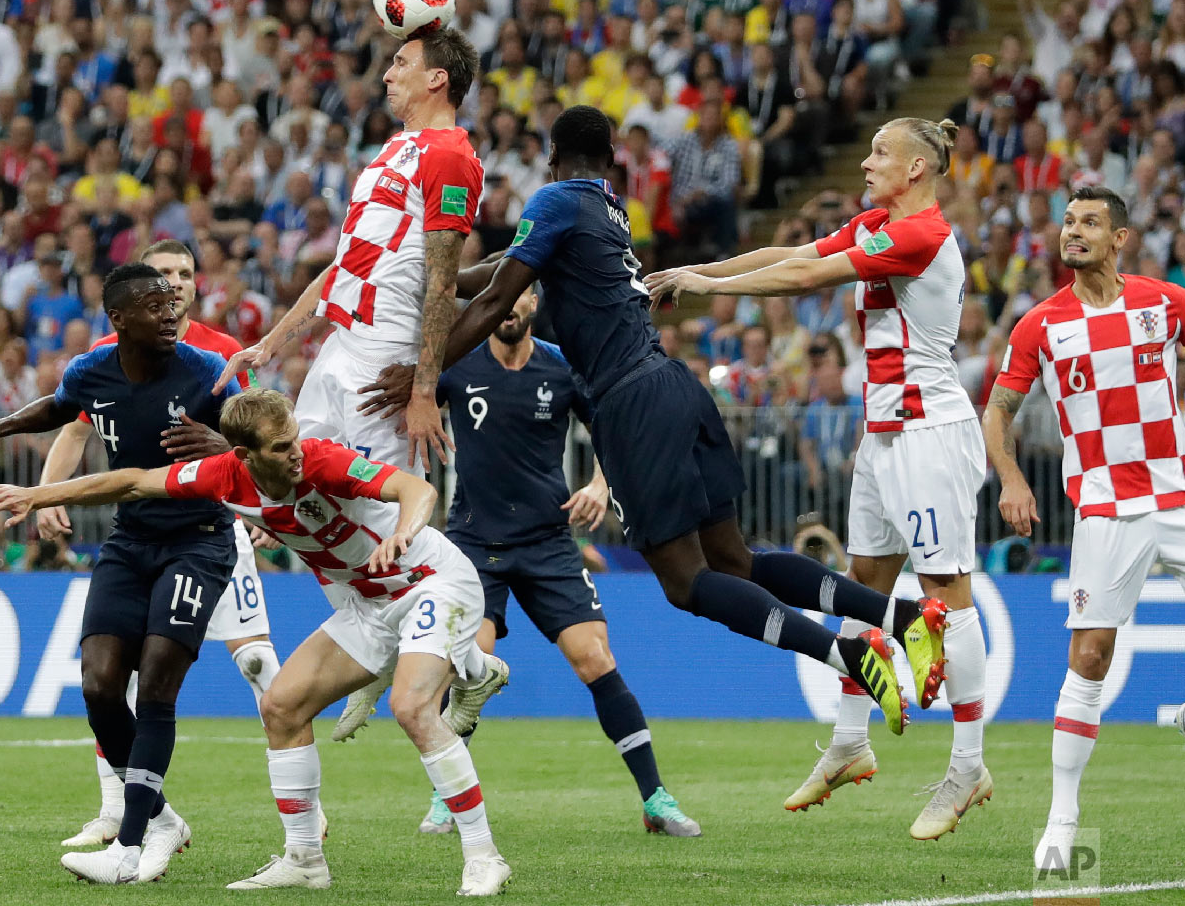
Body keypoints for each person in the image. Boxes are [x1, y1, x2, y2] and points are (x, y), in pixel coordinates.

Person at [360, 105, 947, 762]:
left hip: (632, 405)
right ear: (610, 159)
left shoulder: (555, 200)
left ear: (553, 157)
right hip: (676, 386)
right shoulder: (605, 208)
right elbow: (498, 273)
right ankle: (902, 617)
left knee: (687, 583)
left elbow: (498, 298)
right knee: (737, 561)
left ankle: (846, 652)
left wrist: (422, 372)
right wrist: (427, 276)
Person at [0, 389, 513, 897]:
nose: (296, 454)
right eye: (282, 448)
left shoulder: (323, 460)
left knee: (412, 706)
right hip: (366, 606)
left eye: (296, 439)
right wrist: (37, 494)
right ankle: (304, 862)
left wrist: (405, 530)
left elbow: (415, 489)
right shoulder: (223, 478)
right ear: (244, 456)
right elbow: (133, 481)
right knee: (280, 707)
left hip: (431, 582)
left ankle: (483, 855)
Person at [647, 116, 991, 840]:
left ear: (919, 170)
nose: (865, 163)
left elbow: (805, 277)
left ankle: (968, 767)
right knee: (865, 589)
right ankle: (849, 741)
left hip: (931, 436)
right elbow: (795, 249)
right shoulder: (877, 223)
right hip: (885, 435)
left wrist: (701, 282)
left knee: (945, 598)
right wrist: (706, 272)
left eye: (879, 154)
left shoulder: (921, 235)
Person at [0, 263, 241, 884]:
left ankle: (131, 847)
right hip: (130, 541)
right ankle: (161, 817)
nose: (170, 313)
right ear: (118, 320)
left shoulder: (202, 372)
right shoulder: (92, 372)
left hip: (197, 542)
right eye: (154, 305)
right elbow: (59, 408)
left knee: (160, 684)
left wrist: (225, 448)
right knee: (99, 686)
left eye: (173, 303)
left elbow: (267, 439)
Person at [415, 286, 701, 839]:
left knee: (595, 659)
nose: (509, 309)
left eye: (520, 298)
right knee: (470, 663)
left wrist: (599, 482)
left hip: (549, 542)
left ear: (534, 304)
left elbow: (615, 434)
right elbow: (412, 399)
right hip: (477, 547)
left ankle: (655, 798)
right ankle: (446, 796)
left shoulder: (562, 368)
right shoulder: (456, 364)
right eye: (501, 300)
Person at [35, 238, 285, 849]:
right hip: (141, 533)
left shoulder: (224, 354)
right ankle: (117, 806)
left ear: (197, 283)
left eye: (183, 274)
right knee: (110, 678)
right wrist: (50, 491)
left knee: (257, 663)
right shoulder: (105, 357)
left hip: (216, 528)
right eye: (162, 275)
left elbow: (264, 442)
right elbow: (74, 429)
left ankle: (301, 815)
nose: (173, 285)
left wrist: (257, 505)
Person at [983, 187, 1183, 872]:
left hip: (1177, 491)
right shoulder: (1041, 324)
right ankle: (1061, 823)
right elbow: (998, 411)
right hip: (1103, 506)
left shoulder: (1163, 301)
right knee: (1090, 656)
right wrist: (1011, 477)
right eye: (1068, 221)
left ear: (1120, 238)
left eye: (1090, 222)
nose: (1074, 231)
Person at [214, 28, 485, 478]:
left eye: (401, 64)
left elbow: (442, 282)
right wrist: (268, 345)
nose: (386, 76)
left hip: (384, 360)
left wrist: (423, 390)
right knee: (300, 492)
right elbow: (344, 264)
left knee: (385, 522)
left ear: (437, 79)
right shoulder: (394, 149)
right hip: (338, 346)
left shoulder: (451, 156)